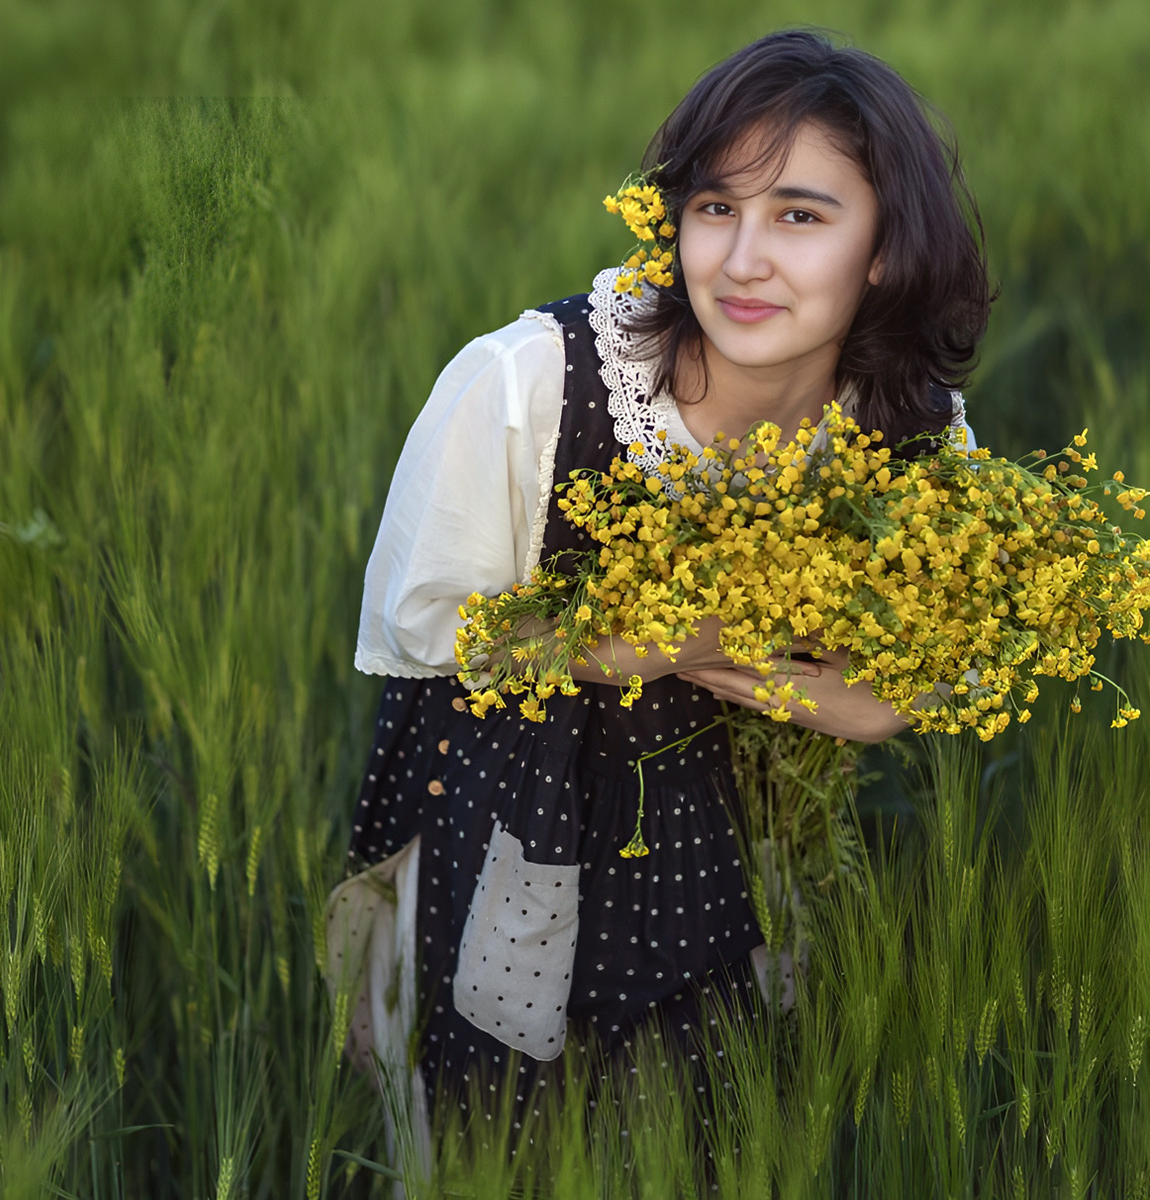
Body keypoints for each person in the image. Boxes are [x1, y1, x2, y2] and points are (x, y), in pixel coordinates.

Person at [342, 27, 991, 1139]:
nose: (741, 261)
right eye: (714, 207)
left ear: (884, 249)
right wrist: (661, 642)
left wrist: (859, 704)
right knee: (496, 1135)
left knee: (710, 1131)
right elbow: (425, 630)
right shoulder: (530, 385)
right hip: (505, 831)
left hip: (737, 856)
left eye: (801, 215)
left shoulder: (912, 439)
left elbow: (924, 682)